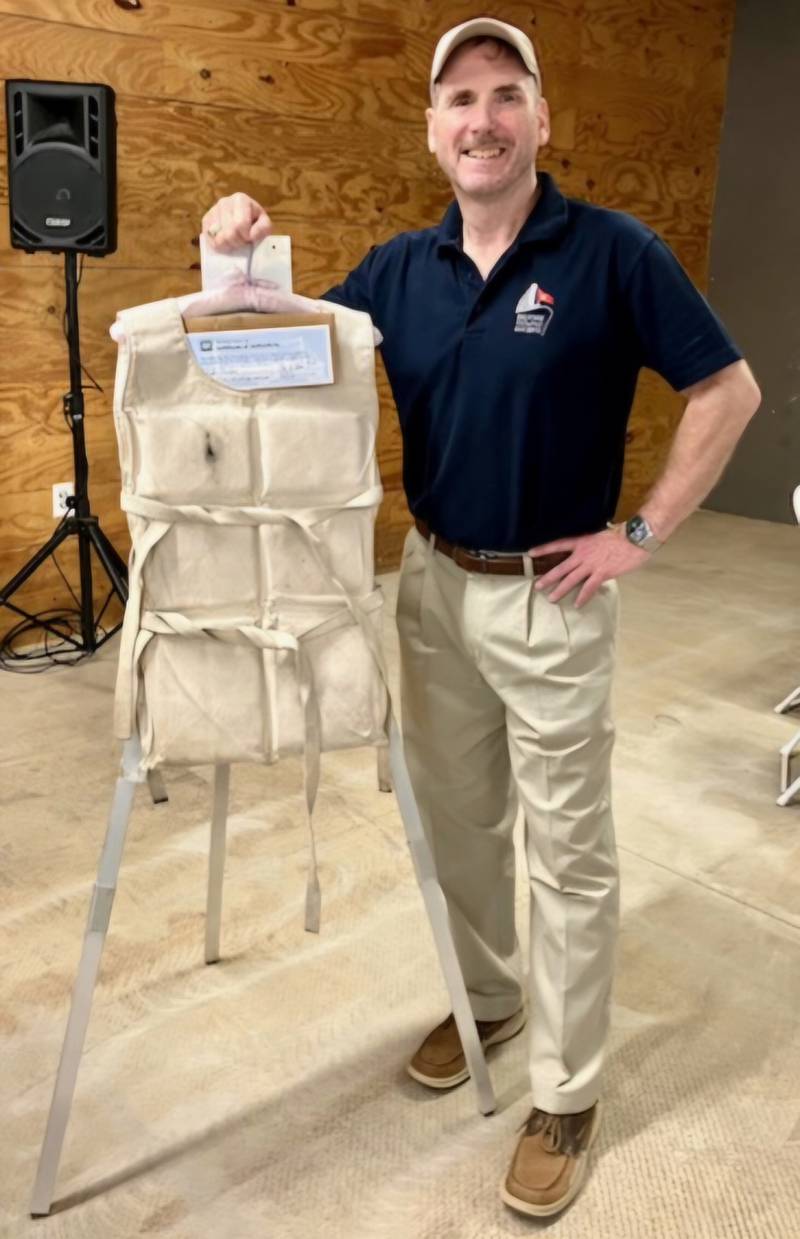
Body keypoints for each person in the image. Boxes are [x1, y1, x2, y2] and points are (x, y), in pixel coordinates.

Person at [202, 16, 760, 1219]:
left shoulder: (611, 254)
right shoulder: (398, 273)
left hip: (551, 597)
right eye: (458, 98)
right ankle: (487, 999)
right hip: (434, 589)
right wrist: (227, 255)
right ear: (431, 130)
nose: (482, 118)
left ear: (540, 121)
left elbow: (728, 387)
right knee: (455, 827)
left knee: (566, 854)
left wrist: (640, 534)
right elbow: (271, 349)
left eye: (506, 95)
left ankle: (565, 1086)